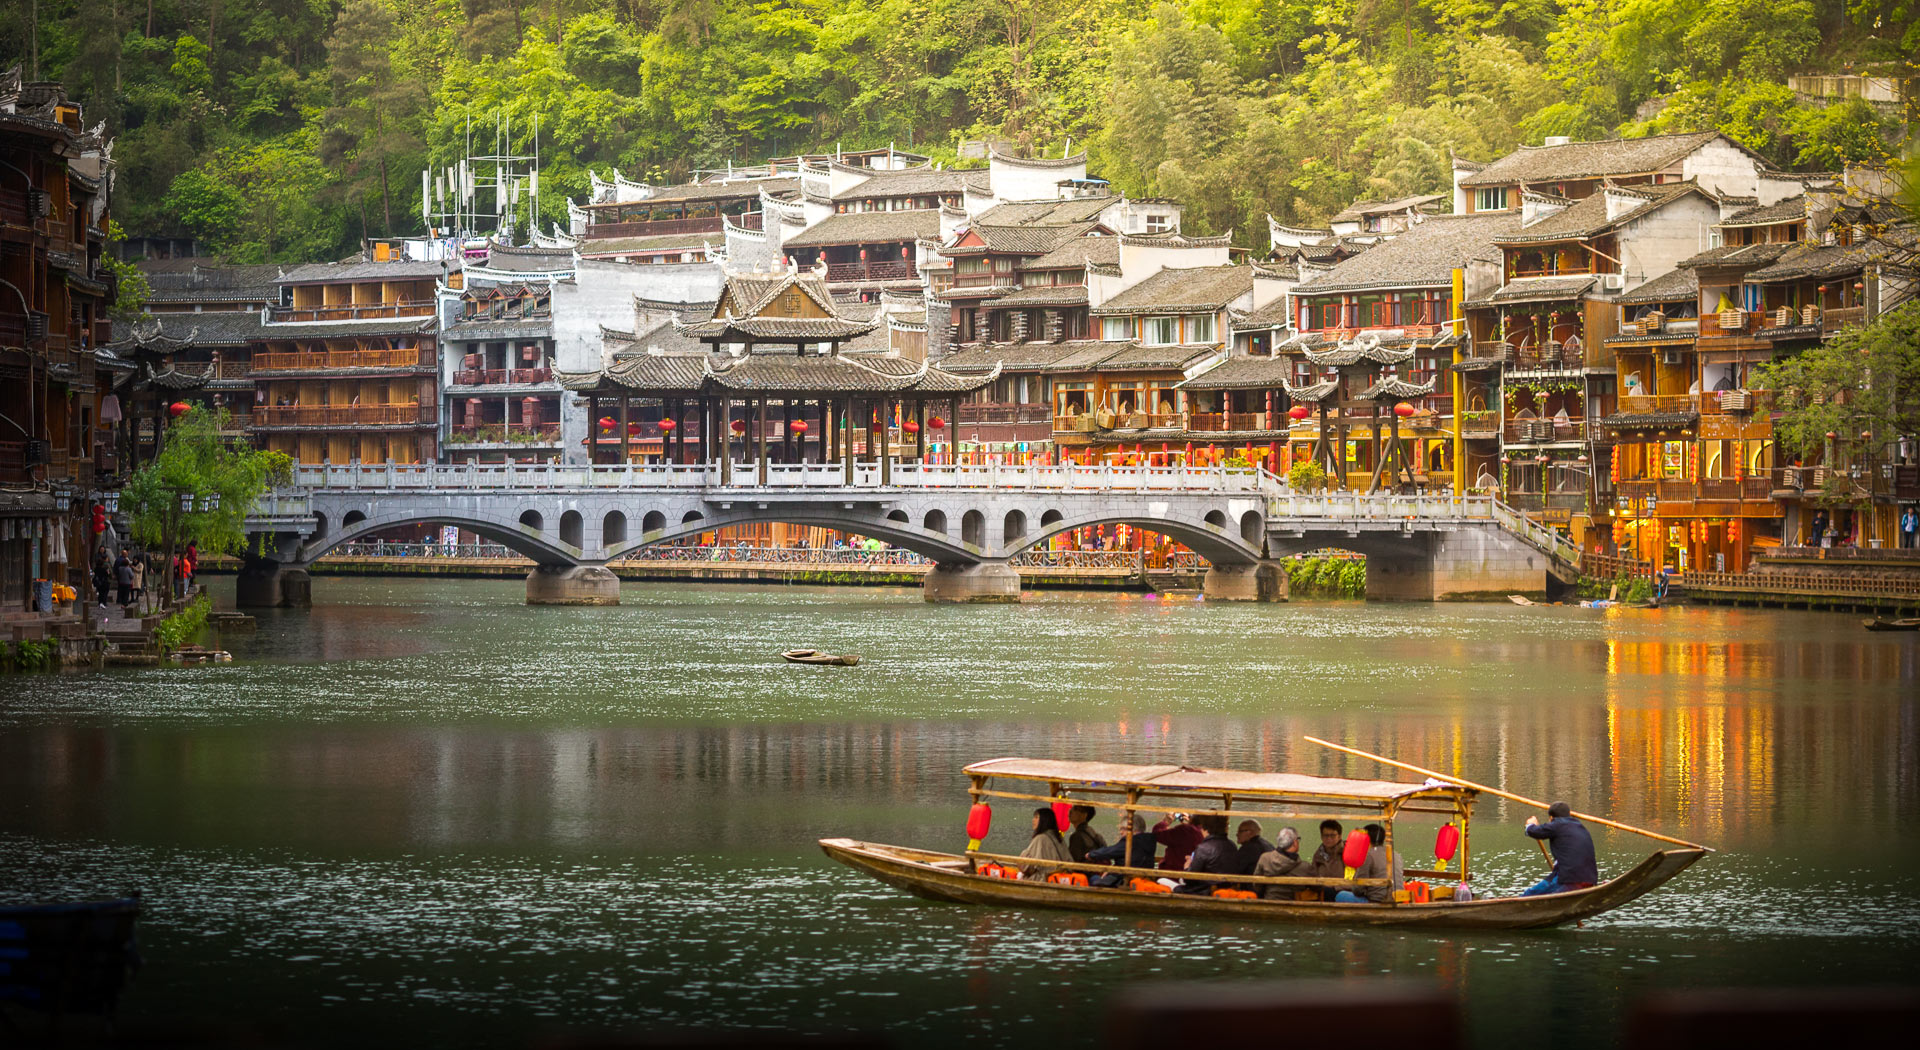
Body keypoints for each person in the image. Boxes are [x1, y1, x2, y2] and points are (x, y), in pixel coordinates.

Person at [1522, 801, 1599, 896]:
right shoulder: (1580, 826)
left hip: (1570, 880)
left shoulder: (1557, 825)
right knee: (1546, 886)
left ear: (1551, 818)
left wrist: (1531, 824)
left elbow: (1534, 831)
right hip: (1590, 880)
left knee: (1528, 894)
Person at [1333, 823, 1405, 904]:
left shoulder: (1367, 856)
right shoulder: (1396, 854)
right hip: (1398, 899)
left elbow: (1358, 890)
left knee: (1341, 895)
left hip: (1378, 901)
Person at [1173, 814, 1240, 894]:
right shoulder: (1232, 845)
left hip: (1204, 891)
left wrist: (1187, 866)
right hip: (1225, 890)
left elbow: (1189, 880)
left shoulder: (1203, 848)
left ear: (1205, 829)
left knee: (1162, 880)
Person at [1087, 812, 1157, 886]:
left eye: (1123, 829)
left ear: (1133, 829)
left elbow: (1112, 851)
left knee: (1093, 878)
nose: (1121, 832)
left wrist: (1091, 854)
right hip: (1142, 879)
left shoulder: (1131, 841)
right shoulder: (1148, 841)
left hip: (1124, 879)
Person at [1017, 807, 1071, 879]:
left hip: (1044, 879)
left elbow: (1026, 867)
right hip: (1060, 878)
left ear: (1044, 820)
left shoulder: (1040, 838)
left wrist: (1024, 853)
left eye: (1036, 817)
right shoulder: (1058, 837)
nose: (1033, 820)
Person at [1253, 827, 1306, 899]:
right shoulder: (1304, 867)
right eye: (1298, 839)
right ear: (1295, 843)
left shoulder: (1265, 858)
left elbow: (1257, 886)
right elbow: (1318, 887)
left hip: (1269, 904)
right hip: (1294, 907)